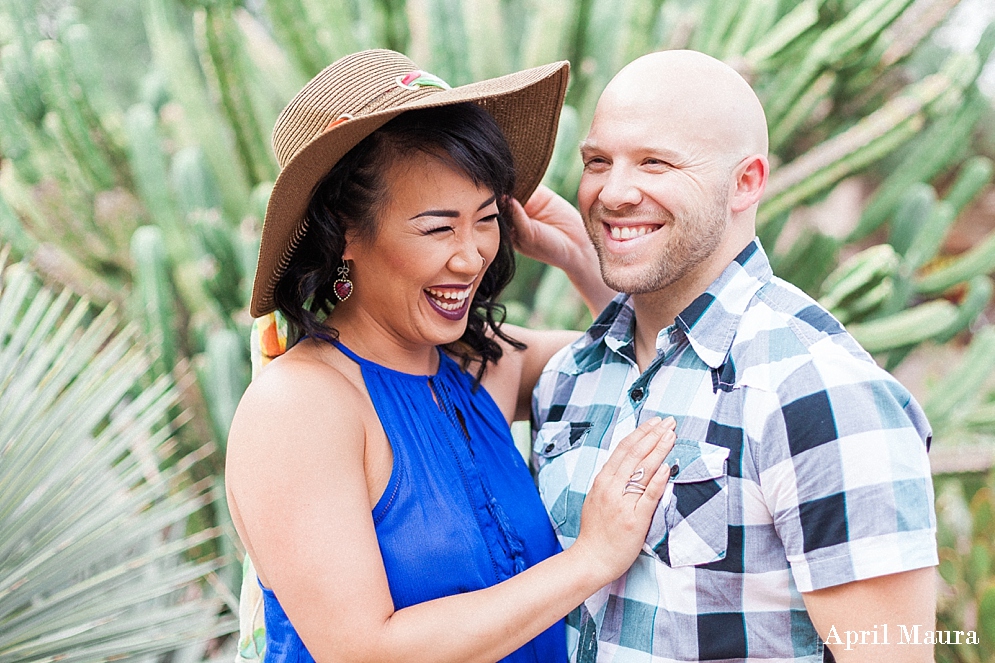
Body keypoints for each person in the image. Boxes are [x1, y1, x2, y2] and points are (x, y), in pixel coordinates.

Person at [224, 49, 679, 663]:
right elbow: (362, 649)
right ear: (345, 231)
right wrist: (590, 561)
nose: (471, 258)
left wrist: (583, 261)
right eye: (439, 228)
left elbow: (663, 359)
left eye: (486, 219)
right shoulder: (302, 405)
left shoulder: (483, 366)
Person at [526, 50, 938, 663]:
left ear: (745, 182)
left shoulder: (816, 391)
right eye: (597, 162)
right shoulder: (570, 378)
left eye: (655, 163)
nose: (612, 192)